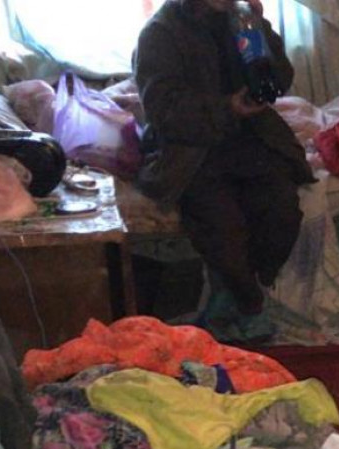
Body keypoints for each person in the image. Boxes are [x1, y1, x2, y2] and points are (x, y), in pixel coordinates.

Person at [133, 0, 313, 336]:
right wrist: (226, 107)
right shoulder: (160, 33)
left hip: (252, 139)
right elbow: (162, 109)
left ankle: (231, 291)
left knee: (283, 211)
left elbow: (280, 79)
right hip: (191, 150)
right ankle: (249, 302)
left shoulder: (241, 20)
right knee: (222, 228)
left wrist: (261, 31)